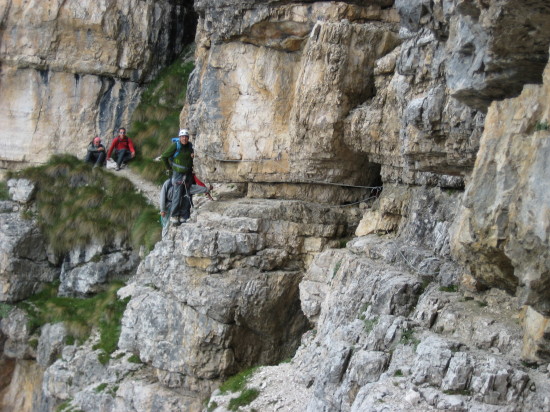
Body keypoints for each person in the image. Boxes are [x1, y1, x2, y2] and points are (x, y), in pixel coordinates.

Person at [161, 129, 194, 224]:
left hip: (188, 173)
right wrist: (169, 168)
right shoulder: (176, 146)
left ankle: (184, 215)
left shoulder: (190, 146)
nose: (184, 138)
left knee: (187, 194)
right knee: (177, 194)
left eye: (186, 137)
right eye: (182, 137)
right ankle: (174, 215)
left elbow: (192, 155)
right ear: (179, 138)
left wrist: (193, 155)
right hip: (178, 174)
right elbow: (164, 156)